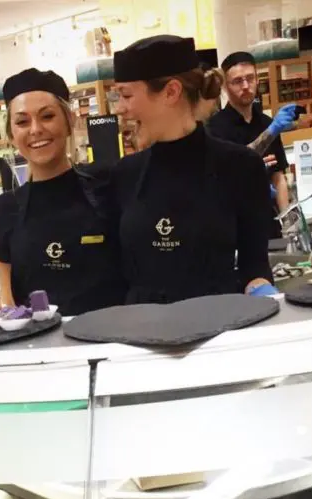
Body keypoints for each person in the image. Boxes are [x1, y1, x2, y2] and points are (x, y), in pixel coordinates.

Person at [112, 35, 274, 303]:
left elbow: (254, 267)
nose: (119, 109)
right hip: (143, 336)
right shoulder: (124, 175)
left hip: (217, 332)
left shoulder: (241, 167)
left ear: (171, 92)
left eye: (126, 95)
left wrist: (262, 291)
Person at [0, 68, 125, 314]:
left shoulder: (108, 184)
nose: (35, 129)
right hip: (42, 348)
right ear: (11, 134)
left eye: (47, 116)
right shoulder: (5, 209)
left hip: (111, 341)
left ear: (70, 121)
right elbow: (7, 302)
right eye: (22, 122)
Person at [207, 51, 290, 227]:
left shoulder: (268, 123)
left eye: (250, 78)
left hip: (269, 222)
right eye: (237, 81)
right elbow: (219, 180)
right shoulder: (215, 128)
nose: (245, 86)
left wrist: (287, 221)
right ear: (225, 87)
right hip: (234, 224)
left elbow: (279, 177)